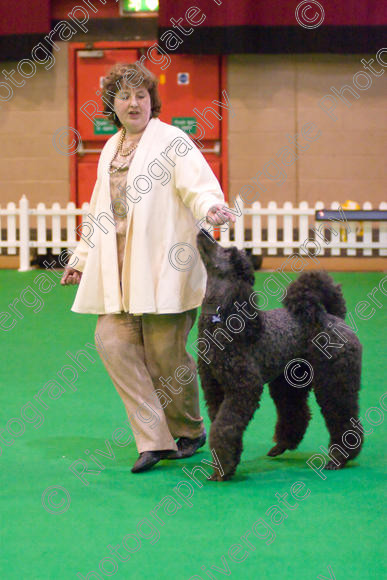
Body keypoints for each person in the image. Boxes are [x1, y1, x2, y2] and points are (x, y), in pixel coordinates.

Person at [61, 63, 235, 473]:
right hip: (118, 274)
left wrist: (210, 206)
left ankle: (189, 430)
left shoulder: (173, 141)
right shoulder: (109, 147)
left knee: (164, 359)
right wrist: (82, 259)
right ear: (112, 105)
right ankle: (153, 440)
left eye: (141, 95)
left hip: (165, 271)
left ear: (152, 101)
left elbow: (198, 185)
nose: (133, 103)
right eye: (124, 96)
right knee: (112, 341)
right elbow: (98, 211)